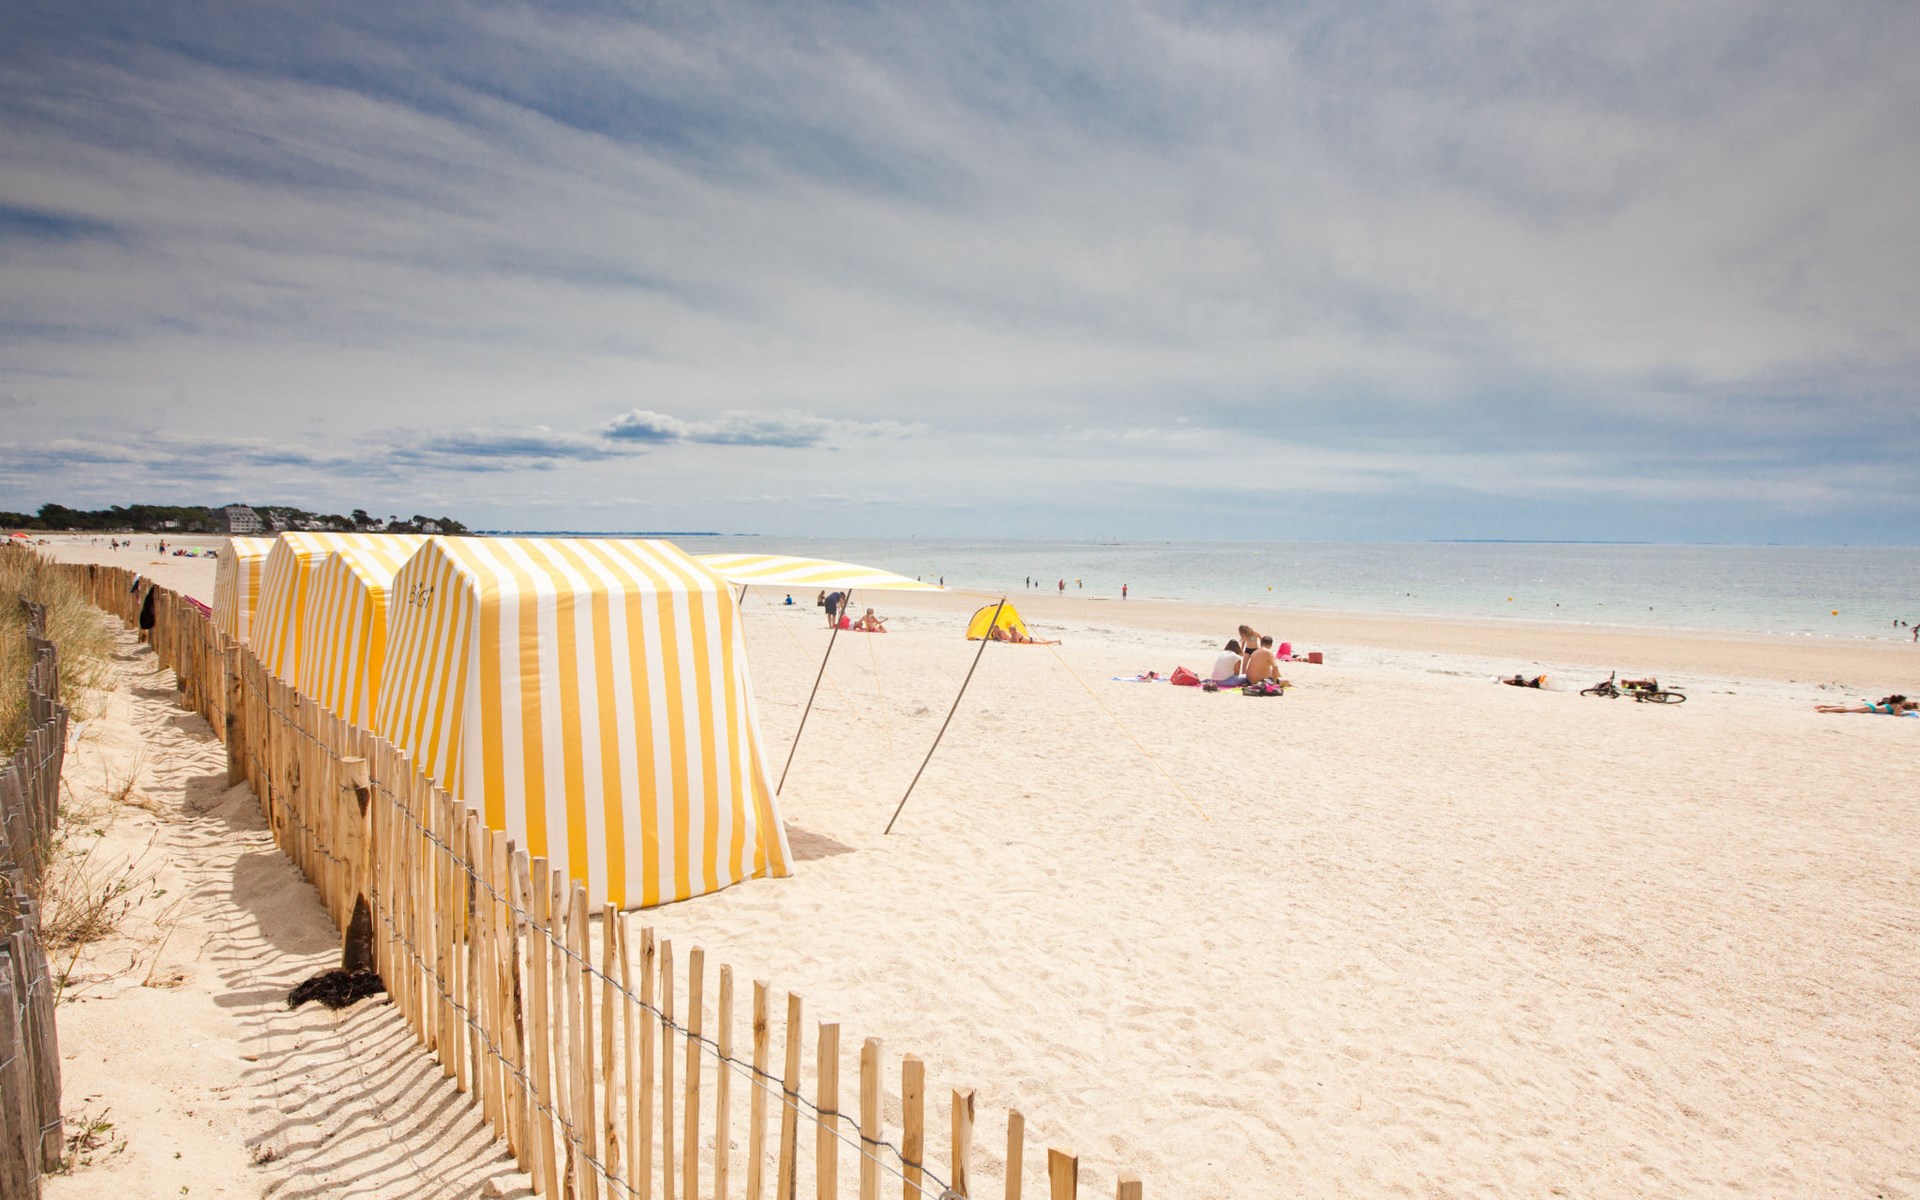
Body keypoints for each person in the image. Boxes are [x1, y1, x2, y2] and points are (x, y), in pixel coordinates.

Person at [1815, 694, 1917, 715]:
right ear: (1901, 701)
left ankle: (1825, 706)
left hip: (1870, 706)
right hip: (1871, 709)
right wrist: (1906, 713)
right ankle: (1825, 709)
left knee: (1847, 708)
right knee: (1847, 710)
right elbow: (1896, 715)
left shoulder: (1893, 703)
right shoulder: (1898, 706)